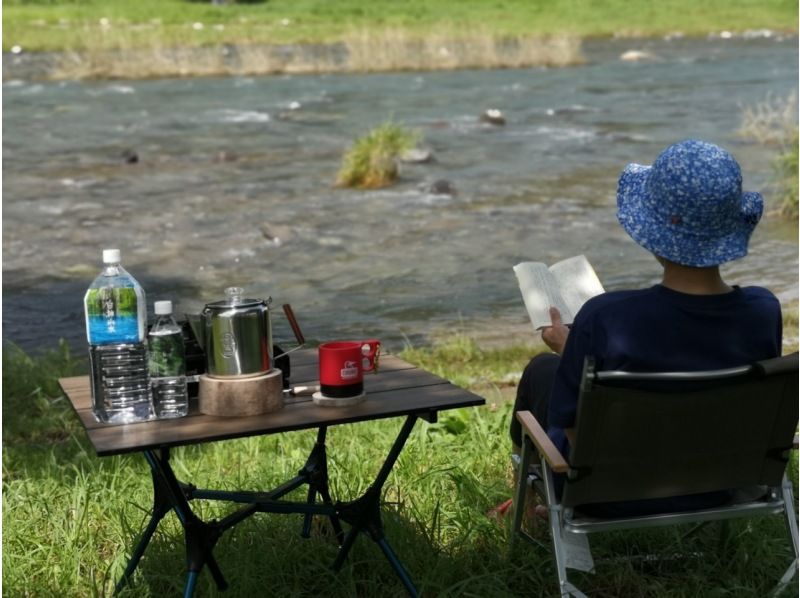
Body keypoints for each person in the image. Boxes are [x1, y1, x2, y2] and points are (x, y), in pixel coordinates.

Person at [509, 139, 783, 514]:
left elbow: (572, 427)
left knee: (541, 371)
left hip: (607, 493)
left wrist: (568, 348)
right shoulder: (763, 310)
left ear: (653, 235)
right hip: (722, 484)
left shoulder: (605, 316)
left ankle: (528, 502)